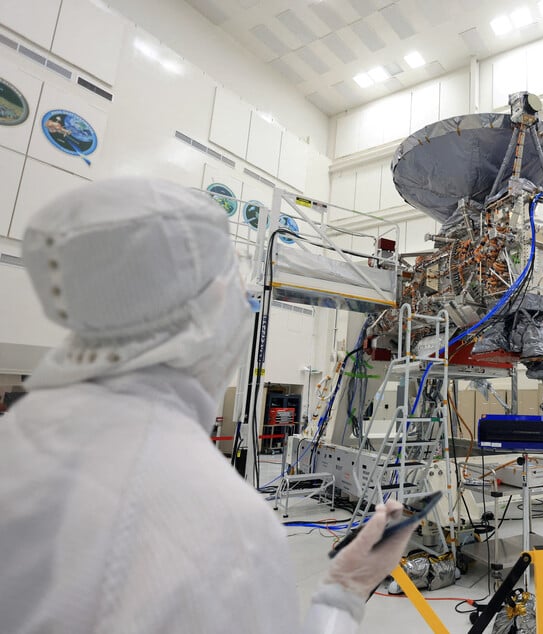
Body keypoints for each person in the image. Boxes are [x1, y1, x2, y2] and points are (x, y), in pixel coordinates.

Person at [0, 178, 414, 634]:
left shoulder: (18, 443)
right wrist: (344, 592)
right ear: (214, 306)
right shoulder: (229, 526)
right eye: (240, 295)